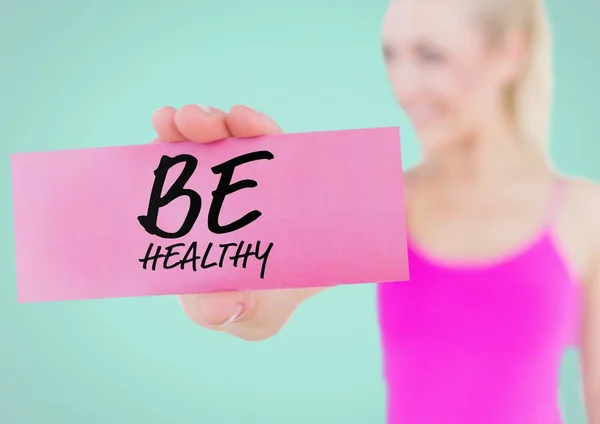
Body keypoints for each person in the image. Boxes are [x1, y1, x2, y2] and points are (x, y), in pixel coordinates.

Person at [150, 0, 599, 422]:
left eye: (430, 55)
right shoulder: (385, 200)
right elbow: (272, 301)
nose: (403, 84)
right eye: (391, 55)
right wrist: (241, 296)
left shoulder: (584, 212)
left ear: (509, 53)